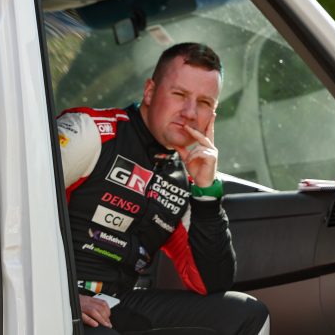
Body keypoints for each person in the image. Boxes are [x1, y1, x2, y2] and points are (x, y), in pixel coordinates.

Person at [56, 43, 269, 335]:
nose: (190, 112)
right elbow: (10, 210)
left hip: (117, 303)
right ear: (149, 91)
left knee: (246, 315)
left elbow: (212, 283)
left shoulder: (184, 180)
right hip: (50, 295)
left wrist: (206, 191)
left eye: (204, 102)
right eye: (179, 95)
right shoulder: (89, 132)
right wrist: (61, 296)